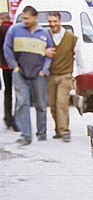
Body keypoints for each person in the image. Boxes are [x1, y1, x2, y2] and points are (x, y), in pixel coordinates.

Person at [3, 6, 51, 146]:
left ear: (35, 18)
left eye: (27, 18)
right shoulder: (15, 30)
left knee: (41, 104)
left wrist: (44, 70)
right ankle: (26, 135)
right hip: (20, 73)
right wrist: (14, 66)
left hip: (38, 74)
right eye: (23, 18)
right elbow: (7, 48)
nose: (24, 21)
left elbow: (49, 54)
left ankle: (41, 133)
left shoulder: (43, 33)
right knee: (22, 103)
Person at [46, 11, 82, 142]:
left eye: (55, 21)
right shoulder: (45, 36)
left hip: (65, 75)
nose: (53, 24)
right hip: (50, 75)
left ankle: (65, 130)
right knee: (52, 104)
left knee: (61, 102)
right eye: (50, 21)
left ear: (60, 21)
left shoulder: (71, 38)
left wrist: (77, 77)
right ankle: (58, 129)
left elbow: (79, 58)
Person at [0, 12, 16, 131]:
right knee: (20, 92)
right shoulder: (14, 29)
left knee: (8, 91)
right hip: (16, 65)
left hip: (5, 65)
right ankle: (16, 120)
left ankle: (8, 117)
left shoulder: (1, 29)